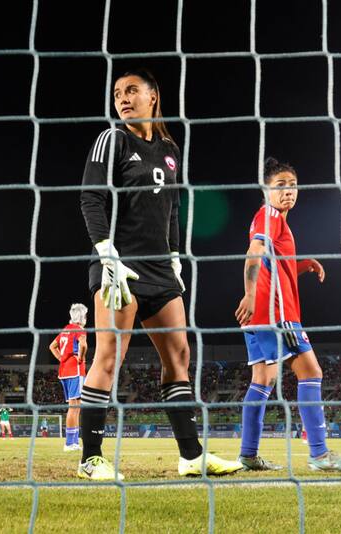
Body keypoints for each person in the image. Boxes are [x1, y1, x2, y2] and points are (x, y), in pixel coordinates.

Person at [77, 68, 243, 480]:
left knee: (179, 356)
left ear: (153, 96)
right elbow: (90, 198)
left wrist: (174, 256)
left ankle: (191, 456)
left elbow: (172, 207)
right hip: (119, 265)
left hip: (159, 269)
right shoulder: (112, 139)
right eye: (117, 92)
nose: (123, 98)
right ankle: (90, 459)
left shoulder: (170, 149)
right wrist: (106, 254)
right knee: (108, 356)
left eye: (132, 90)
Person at [234, 157, 341, 472]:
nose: (288, 190)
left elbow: (274, 265)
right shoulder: (270, 215)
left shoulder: (273, 220)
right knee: (311, 372)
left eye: (292, 185)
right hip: (275, 313)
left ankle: (248, 455)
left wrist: (303, 265)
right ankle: (319, 454)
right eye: (280, 185)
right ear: (266, 190)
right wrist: (250, 294)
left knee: (262, 380)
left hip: (260, 315)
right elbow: (254, 253)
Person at [49, 303, 89, 451]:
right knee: (74, 408)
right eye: (85, 315)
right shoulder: (79, 330)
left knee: (75, 407)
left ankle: (74, 442)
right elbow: (83, 345)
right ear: (81, 316)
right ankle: (69, 443)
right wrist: (81, 358)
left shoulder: (65, 329)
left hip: (64, 371)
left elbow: (52, 346)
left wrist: (61, 358)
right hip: (75, 371)